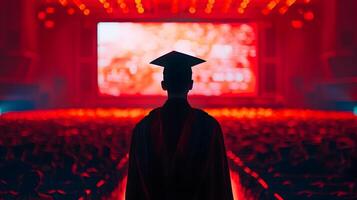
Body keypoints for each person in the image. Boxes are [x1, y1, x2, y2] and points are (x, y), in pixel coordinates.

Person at [126, 51, 233, 200]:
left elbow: (135, 186)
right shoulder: (208, 127)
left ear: (163, 85)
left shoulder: (143, 128)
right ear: (190, 85)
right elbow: (219, 184)